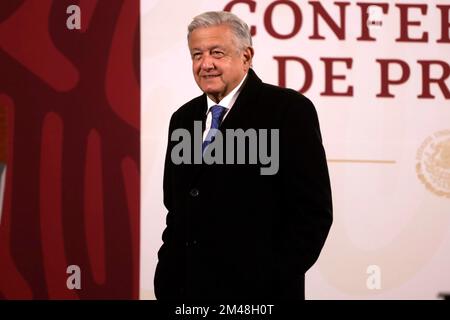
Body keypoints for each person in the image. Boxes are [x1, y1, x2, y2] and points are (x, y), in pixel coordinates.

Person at [154, 11, 332, 300]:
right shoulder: (182, 119)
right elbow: (177, 209)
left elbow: (312, 214)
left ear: (246, 57)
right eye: (196, 54)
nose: (205, 64)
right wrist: (168, 280)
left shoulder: (288, 111)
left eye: (217, 53)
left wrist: (268, 280)